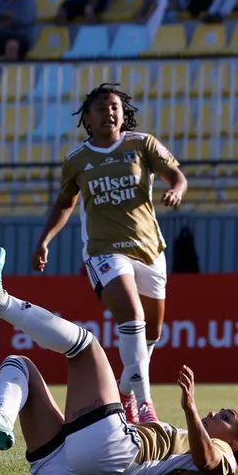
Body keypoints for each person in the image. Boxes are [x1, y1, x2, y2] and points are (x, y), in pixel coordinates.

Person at [0, 246, 238, 475]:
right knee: (18, 364)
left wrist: (190, 409)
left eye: (225, 417)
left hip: (111, 453)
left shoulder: (225, 456)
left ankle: (0, 301)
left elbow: (209, 462)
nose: (213, 412)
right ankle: (3, 418)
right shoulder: (191, 443)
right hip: (62, 468)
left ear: (234, 444)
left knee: (86, 346)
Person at [31, 84, 188, 425]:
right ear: (87, 118)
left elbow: (176, 176)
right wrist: (45, 240)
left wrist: (176, 189)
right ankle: (145, 406)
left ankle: (125, 390)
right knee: (132, 315)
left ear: (123, 112)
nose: (109, 113)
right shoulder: (76, 160)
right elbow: (64, 204)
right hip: (104, 252)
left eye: (114, 107)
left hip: (149, 250)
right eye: (101, 108)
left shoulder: (142, 144)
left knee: (151, 334)